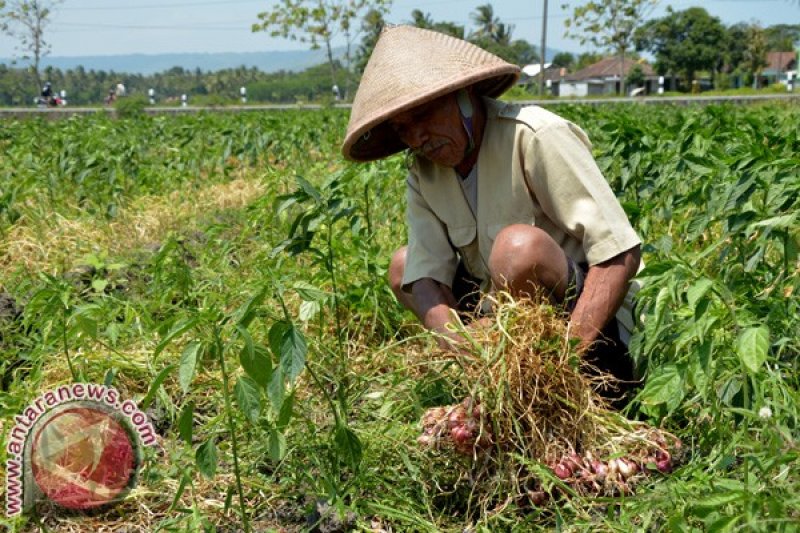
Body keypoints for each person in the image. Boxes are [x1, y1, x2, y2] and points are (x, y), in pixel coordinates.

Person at [341, 26, 643, 400]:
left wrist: (562, 363)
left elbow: (618, 252)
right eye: (403, 128)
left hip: (586, 328)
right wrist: (467, 353)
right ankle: (498, 383)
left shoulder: (535, 135)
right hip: (499, 319)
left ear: (463, 96)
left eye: (423, 115)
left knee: (518, 248)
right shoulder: (424, 170)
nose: (417, 137)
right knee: (405, 266)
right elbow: (424, 274)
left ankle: (545, 384)